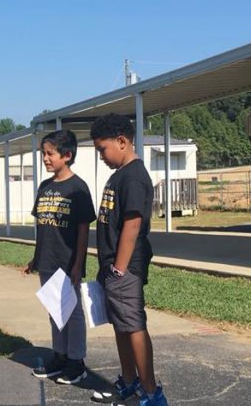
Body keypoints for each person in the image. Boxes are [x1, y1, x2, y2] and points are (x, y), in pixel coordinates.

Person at [89, 114, 168, 406]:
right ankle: (129, 381)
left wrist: (119, 270)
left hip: (126, 268)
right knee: (121, 325)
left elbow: (133, 224)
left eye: (102, 149)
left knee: (133, 325)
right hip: (113, 268)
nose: (101, 156)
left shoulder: (134, 176)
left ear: (122, 141)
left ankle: (151, 392)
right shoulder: (119, 173)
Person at [22, 130, 95, 385]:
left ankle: (77, 361)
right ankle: (60, 356)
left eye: (50, 153)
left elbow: (84, 230)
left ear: (67, 155)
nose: (45, 158)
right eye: (43, 153)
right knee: (55, 311)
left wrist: (77, 264)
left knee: (72, 312)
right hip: (47, 260)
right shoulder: (44, 187)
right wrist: (35, 259)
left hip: (68, 262)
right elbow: (42, 227)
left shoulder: (78, 188)